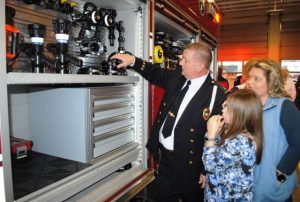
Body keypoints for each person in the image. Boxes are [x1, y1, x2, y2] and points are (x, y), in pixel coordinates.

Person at [112, 42, 226, 202]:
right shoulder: (177, 77)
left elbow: (220, 137)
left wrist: (207, 170)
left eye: (185, 60)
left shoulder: (217, 95)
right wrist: (132, 60)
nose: (180, 63)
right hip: (166, 160)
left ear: (200, 65)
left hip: (192, 169)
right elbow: (155, 72)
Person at [241, 59, 300, 201]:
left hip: (274, 185)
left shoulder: (284, 107)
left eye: (257, 78)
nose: (250, 82)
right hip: (249, 183)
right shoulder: (248, 106)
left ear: (271, 81)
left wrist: (280, 176)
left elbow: (298, 144)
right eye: (249, 77)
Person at [202, 89, 263, 201]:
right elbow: (210, 152)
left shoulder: (242, 141)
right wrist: (213, 135)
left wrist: (211, 134)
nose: (222, 109)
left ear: (239, 113)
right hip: (216, 195)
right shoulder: (229, 131)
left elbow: (209, 164)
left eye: (227, 107)